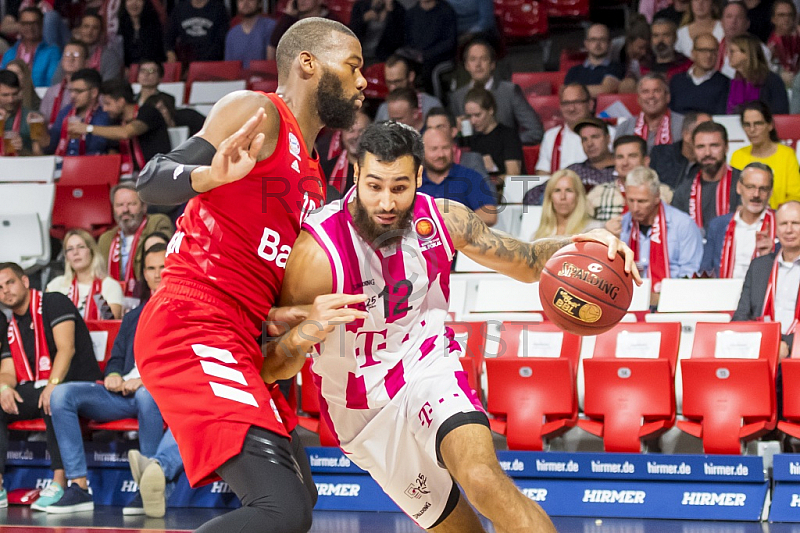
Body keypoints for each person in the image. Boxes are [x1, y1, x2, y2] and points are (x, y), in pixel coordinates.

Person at [266, 120, 639, 533]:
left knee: (482, 478)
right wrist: (303, 334)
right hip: (361, 411)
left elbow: (530, 261)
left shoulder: (443, 219)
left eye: (399, 187)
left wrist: (584, 243)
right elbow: (274, 368)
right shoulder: (316, 255)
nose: (386, 201)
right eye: (374, 186)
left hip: (428, 368)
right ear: (356, 175)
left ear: (419, 179)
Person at [133, 18, 366, 532]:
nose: (363, 80)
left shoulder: (313, 173)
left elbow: (270, 278)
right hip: (191, 321)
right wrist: (209, 175)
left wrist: (301, 312)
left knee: (300, 498)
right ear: (308, 63)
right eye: (352, 66)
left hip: (239, 333)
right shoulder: (259, 113)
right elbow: (150, 181)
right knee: (279, 509)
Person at [43, 244, 167, 514]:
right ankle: (79, 486)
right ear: (143, 274)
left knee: (147, 395)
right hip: (122, 394)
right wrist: (112, 375)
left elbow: (183, 363)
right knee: (60, 394)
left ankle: (149, 487)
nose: (158, 274)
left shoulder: (186, 313)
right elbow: (115, 360)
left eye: (164, 267)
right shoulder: (134, 316)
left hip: (158, 393)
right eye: (151, 268)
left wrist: (146, 381)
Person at [0, 262, 103, 511]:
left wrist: (53, 383)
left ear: (25, 281)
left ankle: (59, 482)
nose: (5, 291)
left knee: (54, 397)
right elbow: (7, 371)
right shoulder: (10, 325)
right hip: (41, 386)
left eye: (10, 282)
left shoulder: (53, 301)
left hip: (79, 384)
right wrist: (4, 388)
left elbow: (67, 348)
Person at [620, 166, 703, 298]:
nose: (635, 208)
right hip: (630, 300)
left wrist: (660, 297)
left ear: (657, 196)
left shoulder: (683, 224)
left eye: (642, 201)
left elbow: (691, 272)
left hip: (674, 300)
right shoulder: (621, 225)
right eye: (631, 200)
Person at [733, 200, 800, 360]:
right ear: (776, 229)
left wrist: (788, 344)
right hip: (760, 348)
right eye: (784, 224)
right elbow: (741, 315)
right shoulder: (759, 266)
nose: (789, 230)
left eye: (796, 223)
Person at [448, 38, 543, 145]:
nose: (478, 64)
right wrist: (457, 133)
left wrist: (505, 143)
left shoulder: (509, 91)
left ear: (492, 64)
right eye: (473, 59)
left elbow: (536, 132)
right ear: (467, 65)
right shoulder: (457, 97)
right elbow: (455, 141)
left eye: (483, 59)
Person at [78, 78, 171, 178]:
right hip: (127, 177)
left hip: (156, 175)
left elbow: (126, 132)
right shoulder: (116, 122)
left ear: (121, 102)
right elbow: (113, 153)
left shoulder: (148, 112)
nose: (104, 109)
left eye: (108, 104)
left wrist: (88, 128)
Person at [585, 135, 672, 236]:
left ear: (646, 161)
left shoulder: (664, 193)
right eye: (620, 157)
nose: (625, 163)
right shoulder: (598, 193)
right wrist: (603, 228)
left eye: (632, 156)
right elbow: (581, 229)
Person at [98, 183, 173, 299]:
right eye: (119, 205)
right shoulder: (106, 239)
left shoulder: (157, 223)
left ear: (144, 206)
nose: (125, 210)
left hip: (150, 296)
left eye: (131, 204)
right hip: (116, 300)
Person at [701, 162, 776, 278]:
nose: (756, 194)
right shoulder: (718, 225)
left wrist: (770, 255)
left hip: (764, 293)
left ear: (770, 192)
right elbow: (705, 269)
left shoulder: (781, 224)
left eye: (763, 189)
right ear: (739, 187)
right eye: (750, 187)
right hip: (724, 292)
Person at [672, 121, 741, 234]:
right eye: (700, 147)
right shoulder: (683, 191)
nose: (707, 153)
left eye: (714, 146)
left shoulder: (744, 184)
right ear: (693, 150)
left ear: (726, 147)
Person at [730, 100, 800, 210]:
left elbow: (795, 196)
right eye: (747, 125)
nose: (752, 130)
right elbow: (734, 195)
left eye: (758, 123)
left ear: (770, 125)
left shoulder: (786, 155)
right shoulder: (738, 156)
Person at [420, 127, 497, 225]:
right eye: (434, 149)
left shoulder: (470, 177)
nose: (440, 154)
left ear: (453, 148)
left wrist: (452, 223)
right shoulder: (413, 181)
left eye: (445, 148)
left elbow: (489, 216)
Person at [46, 229, 124, 320]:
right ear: (66, 256)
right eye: (70, 249)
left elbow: (111, 324)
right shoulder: (56, 285)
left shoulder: (109, 286)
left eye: (81, 247)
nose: (75, 252)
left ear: (92, 251)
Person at [462, 86, 523, 185]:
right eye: (469, 116)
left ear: (490, 110)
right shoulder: (473, 140)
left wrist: (485, 182)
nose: (473, 121)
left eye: (477, 115)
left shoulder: (508, 135)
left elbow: (513, 175)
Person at [535, 83, 601, 174]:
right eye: (566, 103)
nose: (571, 108)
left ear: (590, 104)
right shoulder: (551, 136)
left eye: (577, 102)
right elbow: (543, 174)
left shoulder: (609, 133)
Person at [45, 68, 112, 156]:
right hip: (62, 165)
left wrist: (87, 129)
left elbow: (98, 148)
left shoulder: (105, 116)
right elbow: (51, 146)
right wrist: (42, 134)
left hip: (92, 166)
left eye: (78, 91)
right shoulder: (65, 112)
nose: (73, 96)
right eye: (71, 91)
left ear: (94, 93)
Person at [615, 73, 684, 150]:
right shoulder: (624, 128)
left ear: (667, 97)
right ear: (638, 99)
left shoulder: (683, 125)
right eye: (645, 92)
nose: (651, 96)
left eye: (657, 91)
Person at [727, 33, 790, 114]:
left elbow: (780, 113)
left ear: (747, 53)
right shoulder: (734, 82)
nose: (728, 55)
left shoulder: (772, 81)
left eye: (732, 51)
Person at [668, 33, 730, 115]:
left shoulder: (725, 83)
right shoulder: (677, 81)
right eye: (703, 50)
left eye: (713, 51)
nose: (708, 55)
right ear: (693, 53)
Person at [403, 0, 457, 92]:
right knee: (400, 65)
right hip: (415, 57)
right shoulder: (411, 13)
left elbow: (450, 42)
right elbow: (406, 39)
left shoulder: (446, 11)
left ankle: (433, 102)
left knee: (427, 70)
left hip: (439, 57)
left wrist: (427, 55)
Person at [51, 13, 123, 82]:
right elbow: (56, 82)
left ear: (101, 33)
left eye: (95, 28)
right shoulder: (70, 52)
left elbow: (109, 86)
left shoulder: (110, 56)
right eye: (86, 26)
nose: (89, 31)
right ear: (79, 30)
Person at [649, 111, 712, 189]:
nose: (710, 137)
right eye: (704, 132)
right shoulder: (660, 155)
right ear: (686, 135)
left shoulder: (713, 160)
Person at [534, 169, 603, 239]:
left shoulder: (593, 231)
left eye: (569, 190)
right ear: (550, 197)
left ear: (578, 196)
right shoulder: (538, 235)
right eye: (557, 190)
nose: (563, 197)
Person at [0, 7, 59, 87]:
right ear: (19, 25)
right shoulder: (9, 53)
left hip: (41, 97)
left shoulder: (52, 52)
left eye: (34, 23)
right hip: (12, 97)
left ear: (41, 24)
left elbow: (53, 84)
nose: (30, 27)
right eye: (25, 23)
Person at [423, 106, 488, 178]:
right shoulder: (420, 165)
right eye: (430, 128)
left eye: (440, 127)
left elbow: (487, 189)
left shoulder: (472, 161)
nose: (434, 132)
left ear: (453, 132)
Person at [375, 54, 442, 122]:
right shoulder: (383, 109)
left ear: (411, 76)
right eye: (389, 82)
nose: (392, 87)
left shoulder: (431, 105)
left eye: (397, 81)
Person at [320, 108, 370, 199]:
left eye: (361, 131)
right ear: (342, 134)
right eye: (351, 131)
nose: (356, 136)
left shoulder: (379, 167)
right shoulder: (326, 169)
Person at [267, 0, 340, 61]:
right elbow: (273, 46)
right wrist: (288, 16)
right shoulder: (289, 21)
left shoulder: (333, 23)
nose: (302, 1)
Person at [564, 23, 624, 96]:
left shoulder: (617, 67)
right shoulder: (574, 71)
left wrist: (575, 91)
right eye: (593, 39)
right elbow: (564, 93)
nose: (597, 44)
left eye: (602, 39)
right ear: (586, 44)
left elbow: (606, 89)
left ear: (609, 43)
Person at [717, 2, 773, 79]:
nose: (733, 21)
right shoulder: (713, 44)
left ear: (747, 23)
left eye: (739, 17)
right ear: (721, 22)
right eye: (729, 17)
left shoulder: (759, 49)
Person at [39, 41, 87, 127]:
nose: (71, 59)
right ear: (62, 60)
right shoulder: (51, 91)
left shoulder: (90, 92)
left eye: (76, 55)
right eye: (67, 54)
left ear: (86, 62)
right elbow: (43, 121)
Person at [0, 69, 47, 155]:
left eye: (14, 94)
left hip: (21, 166)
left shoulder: (33, 118)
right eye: (5, 95)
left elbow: (40, 158)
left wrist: (22, 150)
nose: (11, 100)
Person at [166, 0, 228, 64]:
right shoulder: (179, 9)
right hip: (186, 64)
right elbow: (168, 38)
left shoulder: (219, 9)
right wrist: (170, 52)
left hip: (211, 63)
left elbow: (222, 41)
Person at [565, 117, 616, 192]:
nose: (589, 144)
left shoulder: (623, 168)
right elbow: (545, 189)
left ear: (608, 139)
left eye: (595, 137)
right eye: (584, 139)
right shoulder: (574, 171)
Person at [349, 0, 405, 65]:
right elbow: (351, 32)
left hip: (381, 58)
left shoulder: (397, 10)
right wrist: (363, 19)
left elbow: (397, 41)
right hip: (359, 53)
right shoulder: (361, 6)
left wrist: (390, 14)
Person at [225, 0, 277, 68]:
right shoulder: (231, 34)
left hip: (265, 77)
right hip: (239, 78)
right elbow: (229, 68)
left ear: (259, 3)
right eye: (241, 0)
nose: (245, 2)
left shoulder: (271, 27)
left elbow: (272, 64)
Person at [119, 0, 166, 67]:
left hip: (150, 69)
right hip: (128, 72)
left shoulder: (154, 26)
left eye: (138, 0)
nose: (134, 3)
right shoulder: (121, 26)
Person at [768, 0, 800, 86]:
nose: (786, 19)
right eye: (781, 15)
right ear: (773, 19)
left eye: (790, 15)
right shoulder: (770, 47)